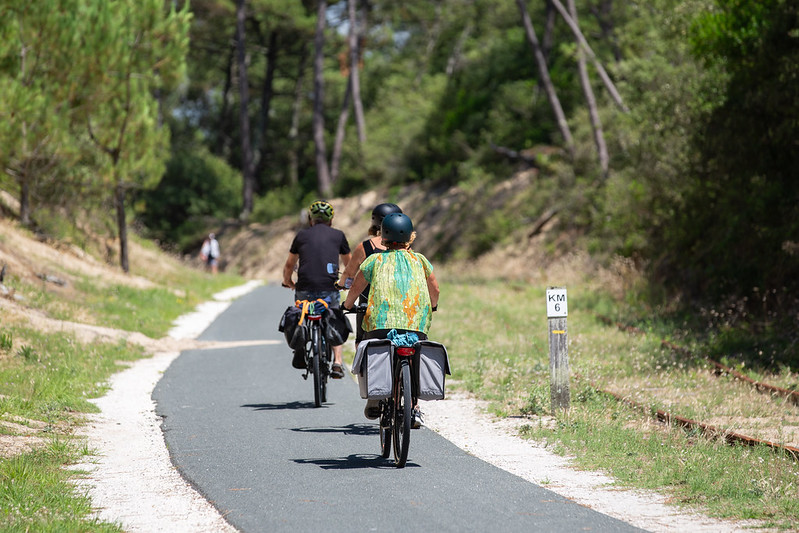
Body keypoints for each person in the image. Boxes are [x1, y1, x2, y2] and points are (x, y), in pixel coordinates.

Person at [342, 212, 439, 427]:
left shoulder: (374, 260)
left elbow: (356, 287)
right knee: (415, 354)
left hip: (380, 325)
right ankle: (414, 408)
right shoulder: (421, 260)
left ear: (383, 237)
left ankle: (376, 396)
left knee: (372, 350)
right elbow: (435, 288)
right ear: (410, 237)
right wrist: (432, 305)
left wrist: (347, 305)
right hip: (416, 325)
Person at [282, 200, 351, 378]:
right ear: (331, 220)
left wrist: (288, 281)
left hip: (304, 287)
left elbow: (289, 264)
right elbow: (349, 265)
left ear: (310, 219)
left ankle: (299, 351)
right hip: (329, 288)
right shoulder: (338, 235)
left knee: (301, 315)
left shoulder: (301, 236)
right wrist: (345, 282)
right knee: (334, 317)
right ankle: (337, 362)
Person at [337, 202, 403, 345]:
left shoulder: (366, 247)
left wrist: (341, 285)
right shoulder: (406, 248)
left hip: (369, 305)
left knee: (361, 342)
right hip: (401, 302)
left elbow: (349, 272)